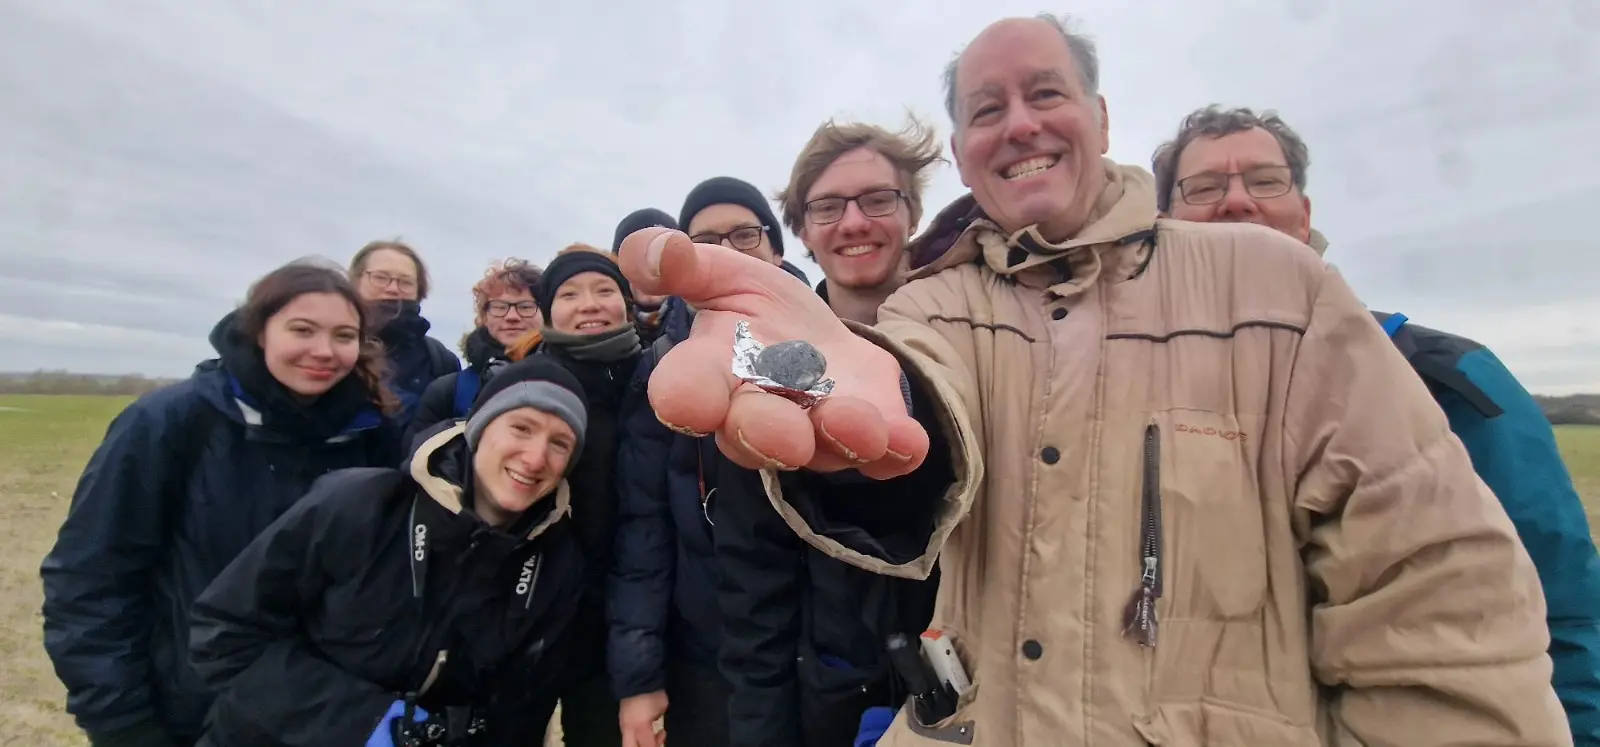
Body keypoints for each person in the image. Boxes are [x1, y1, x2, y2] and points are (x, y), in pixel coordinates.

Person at [613, 12, 1570, 747]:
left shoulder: (1278, 290)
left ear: (1103, 118)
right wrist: (837, 410)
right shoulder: (934, 306)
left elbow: (1434, 604)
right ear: (961, 152)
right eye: (987, 109)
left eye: (1046, 94)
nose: (1019, 123)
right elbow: (910, 391)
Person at [1151, 103, 1600, 744]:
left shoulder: (1449, 379)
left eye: (1264, 180)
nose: (1237, 202)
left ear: (1303, 215)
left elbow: (1562, 609)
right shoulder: (1131, 397)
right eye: (1204, 188)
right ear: (1163, 226)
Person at [40, 260, 402, 747]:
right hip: (190, 712)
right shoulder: (171, 423)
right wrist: (123, 724)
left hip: (321, 716)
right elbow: (90, 580)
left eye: (343, 335)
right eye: (302, 329)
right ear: (259, 331)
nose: (323, 351)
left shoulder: (370, 434)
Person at [188, 357, 591, 747]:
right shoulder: (359, 505)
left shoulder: (556, 565)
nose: (536, 457)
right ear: (479, 429)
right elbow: (225, 636)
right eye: (521, 428)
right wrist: (364, 723)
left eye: (560, 444)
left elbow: (522, 711)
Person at [532, 244, 644, 747]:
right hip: (557, 611)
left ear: (627, 300)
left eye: (604, 290)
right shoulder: (532, 387)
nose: (589, 304)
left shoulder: (656, 376)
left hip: (648, 602)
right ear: (548, 311)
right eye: (570, 294)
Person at [409, 258, 545, 445]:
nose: (511, 316)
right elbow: (415, 462)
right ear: (484, 316)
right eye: (499, 307)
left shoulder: (572, 380)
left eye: (525, 307)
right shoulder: (448, 392)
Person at [350, 239, 462, 428]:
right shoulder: (328, 346)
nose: (393, 288)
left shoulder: (439, 360)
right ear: (356, 281)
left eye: (405, 282)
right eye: (380, 277)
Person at [613, 208, 681, 344]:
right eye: (635, 258)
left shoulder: (702, 322)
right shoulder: (604, 328)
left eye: (661, 258)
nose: (648, 269)